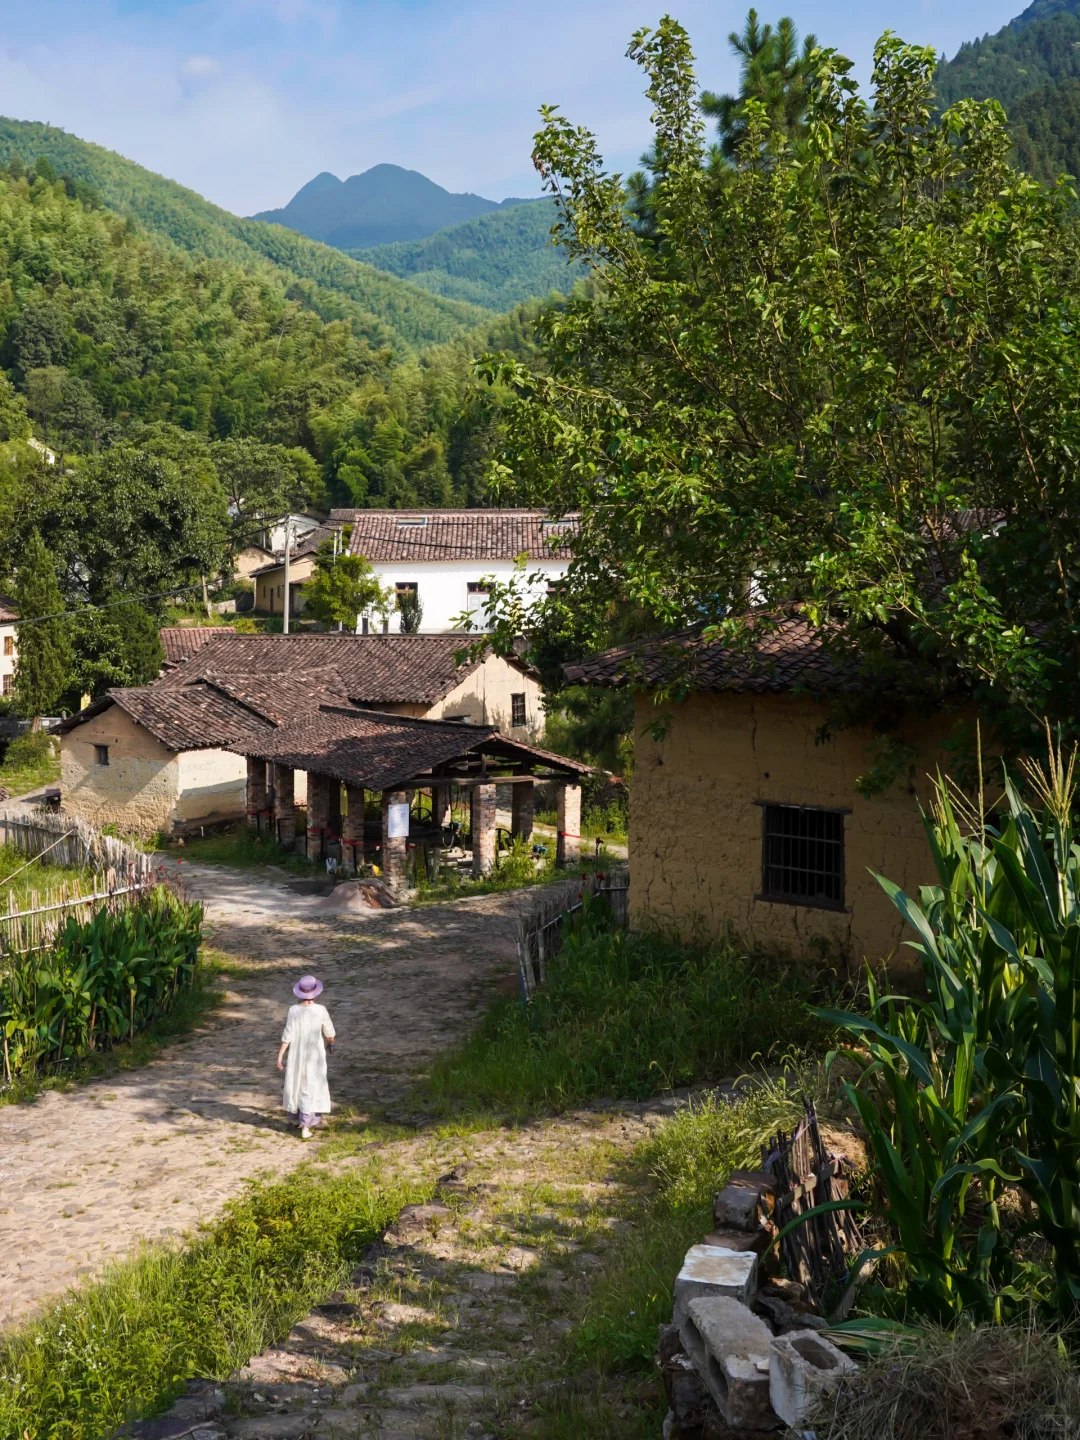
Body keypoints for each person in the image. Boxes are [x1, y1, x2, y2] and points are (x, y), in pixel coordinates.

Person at [277, 974, 336, 1139]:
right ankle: (306, 1124)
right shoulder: (320, 1010)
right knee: (310, 1085)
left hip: (296, 1055)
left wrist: (280, 1055)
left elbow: (287, 1035)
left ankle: (296, 1117)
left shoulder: (293, 1010)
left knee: (296, 1083)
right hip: (314, 1054)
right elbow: (330, 1032)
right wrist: (330, 1043)